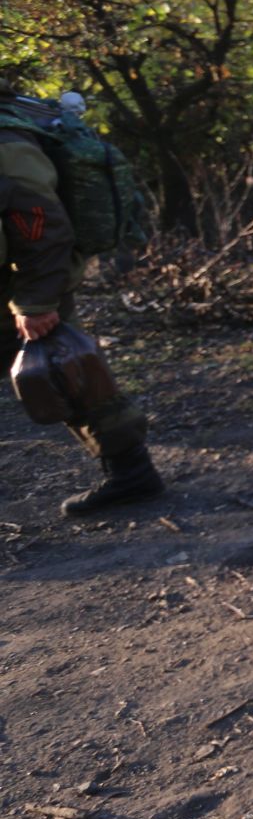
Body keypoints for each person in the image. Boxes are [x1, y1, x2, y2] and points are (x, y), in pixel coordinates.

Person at [0, 87, 163, 514]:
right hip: (27, 281)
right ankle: (132, 472)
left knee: (70, 373)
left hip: (29, 283)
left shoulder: (7, 143)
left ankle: (131, 474)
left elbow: (42, 224)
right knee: (71, 375)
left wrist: (36, 302)